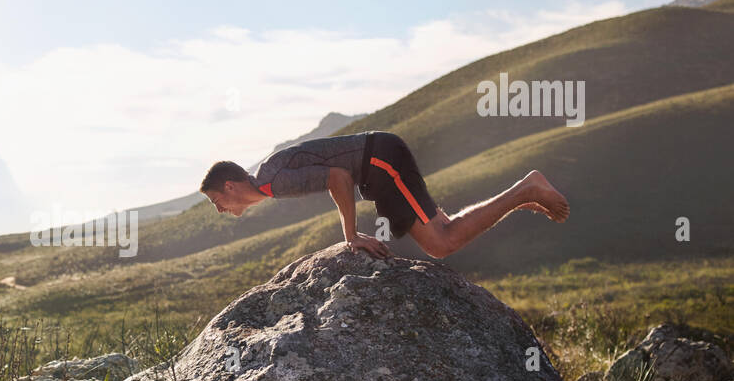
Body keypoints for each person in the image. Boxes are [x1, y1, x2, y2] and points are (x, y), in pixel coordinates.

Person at [199, 130, 569, 259]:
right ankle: (525, 191)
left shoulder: (271, 182)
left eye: (217, 201)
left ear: (230, 186)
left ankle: (526, 190)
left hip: (380, 162)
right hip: (377, 170)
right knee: (441, 230)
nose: (220, 210)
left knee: (440, 243)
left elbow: (338, 177)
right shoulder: (269, 176)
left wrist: (349, 236)